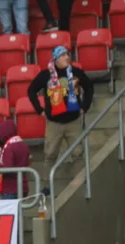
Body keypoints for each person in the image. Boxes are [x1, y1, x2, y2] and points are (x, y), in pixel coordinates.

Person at [27, 45, 93, 193]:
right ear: (55, 59)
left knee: (78, 153)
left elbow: (89, 87)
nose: (67, 58)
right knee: (50, 155)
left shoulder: (76, 72)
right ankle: (46, 187)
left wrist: (85, 106)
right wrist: (39, 110)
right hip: (54, 123)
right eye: (63, 56)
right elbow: (31, 90)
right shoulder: (46, 75)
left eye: (67, 55)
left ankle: (80, 183)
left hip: (73, 121)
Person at [0, 119, 29, 200]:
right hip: (23, 185)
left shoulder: (9, 148)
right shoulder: (23, 145)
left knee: (10, 212)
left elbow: (8, 168)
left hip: (11, 187)